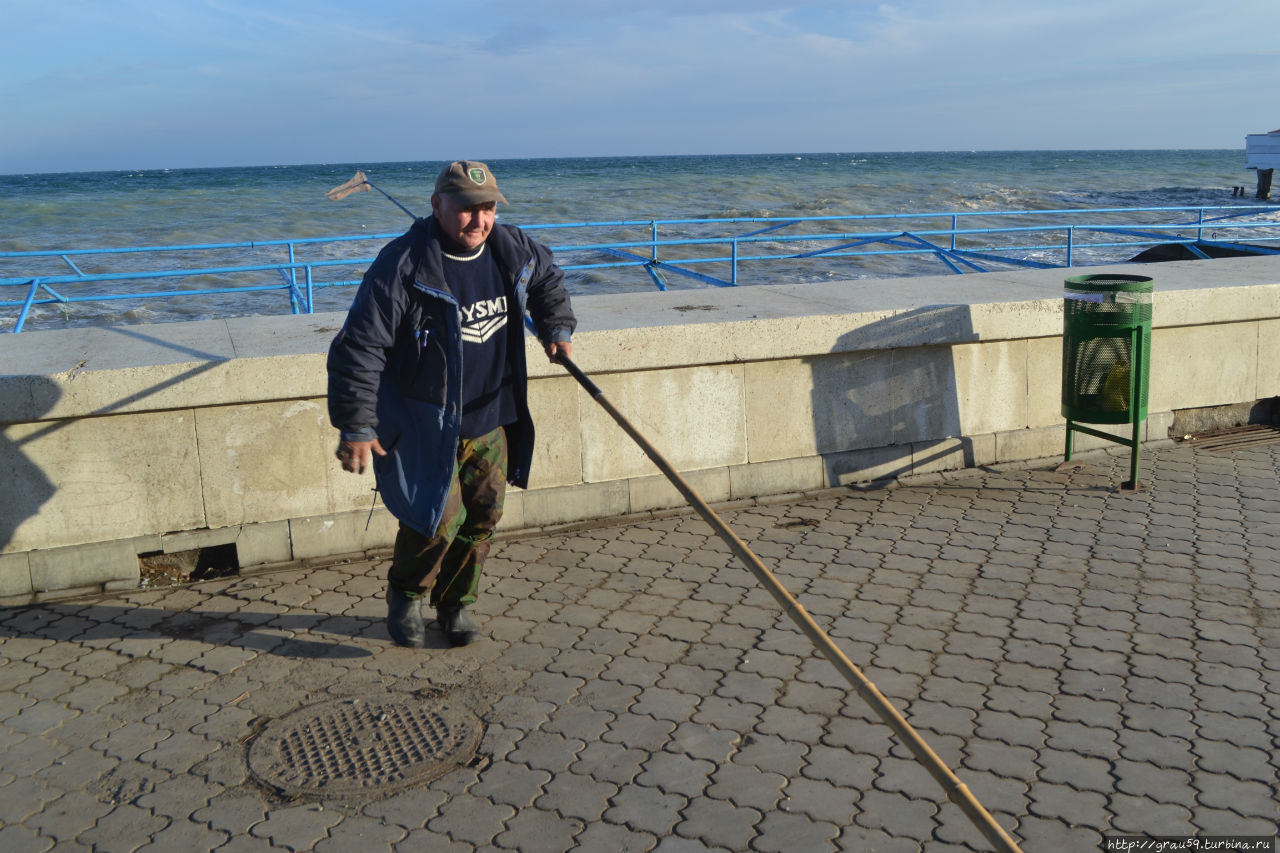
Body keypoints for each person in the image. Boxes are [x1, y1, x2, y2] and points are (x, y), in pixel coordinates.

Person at [326, 160, 575, 648]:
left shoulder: (512, 248)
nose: (478, 221)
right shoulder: (402, 264)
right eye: (464, 209)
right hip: (427, 424)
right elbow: (360, 346)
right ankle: (406, 595)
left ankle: (455, 604)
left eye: (486, 209)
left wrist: (556, 329)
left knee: (483, 516)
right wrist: (357, 424)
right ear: (438, 205)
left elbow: (548, 280)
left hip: (493, 415)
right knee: (433, 521)